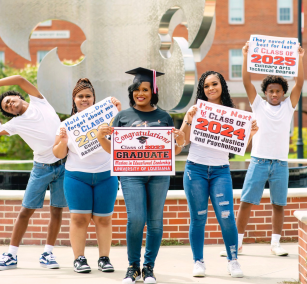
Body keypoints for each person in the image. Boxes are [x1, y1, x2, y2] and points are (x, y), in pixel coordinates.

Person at [96, 67, 185, 284]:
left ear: (153, 92)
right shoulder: (122, 117)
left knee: (155, 222)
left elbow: (172, 151)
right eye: (137, 89)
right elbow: (113, 150)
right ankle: (133, 266)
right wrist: (101, 136)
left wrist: (180, 140)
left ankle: (149, 267)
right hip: (130, 174)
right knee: (136, 219)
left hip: (158, 175)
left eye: (145, 89)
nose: (140, 93)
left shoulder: (164, 117)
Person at [0, 75, 66, 270]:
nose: (9, 104)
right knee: (26, 210)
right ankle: (11, 254)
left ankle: (48, 253)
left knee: (57, 210)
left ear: (18, 97)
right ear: (10, 113)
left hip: (64, 164)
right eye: (6, 107)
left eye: (9, 100)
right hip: (41, 168)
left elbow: (19, 78)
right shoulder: (15, 124)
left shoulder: (39, 101)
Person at [228, 42, 305, 257]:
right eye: (270, 91)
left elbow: (300, 83)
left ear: (283, 93)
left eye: (278, 91)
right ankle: (237, 243)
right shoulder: (258, 105)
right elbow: (246, 81)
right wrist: (245, 55)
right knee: (246, 202)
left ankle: (275, 244)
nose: (274, 94)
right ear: (265, 92)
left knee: (278, 204)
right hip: (259, 161)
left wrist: (300, 58)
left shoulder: (289, 106)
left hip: (280, 163)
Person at [180, 71, 258, 278]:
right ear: (202, 89)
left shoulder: (233, 113)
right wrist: (188, 119)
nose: (211, 88)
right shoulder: (196, 110)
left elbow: (236, 147)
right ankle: (198, 262)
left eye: (214, 84)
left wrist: (250, 133)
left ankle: (233, 261)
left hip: (220, 171)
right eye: (206, 86)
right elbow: (182, 141)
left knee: (226, 217)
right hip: (195, 169)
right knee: (198, 218)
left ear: (222, 85)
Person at [52, 78, 121, 273]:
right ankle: (79, 258)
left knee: (104, 219)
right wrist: (63, 141)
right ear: (74, 99)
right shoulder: (66, 124)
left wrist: (117, 110)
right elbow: (58, 154)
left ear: (94, 99)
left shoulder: (109, 117)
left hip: (106, 175)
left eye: (88, 96)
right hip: (76, 177)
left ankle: (104, 258)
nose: (84, 99)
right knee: (79, 219)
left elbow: (121, 139)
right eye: (80, 96)